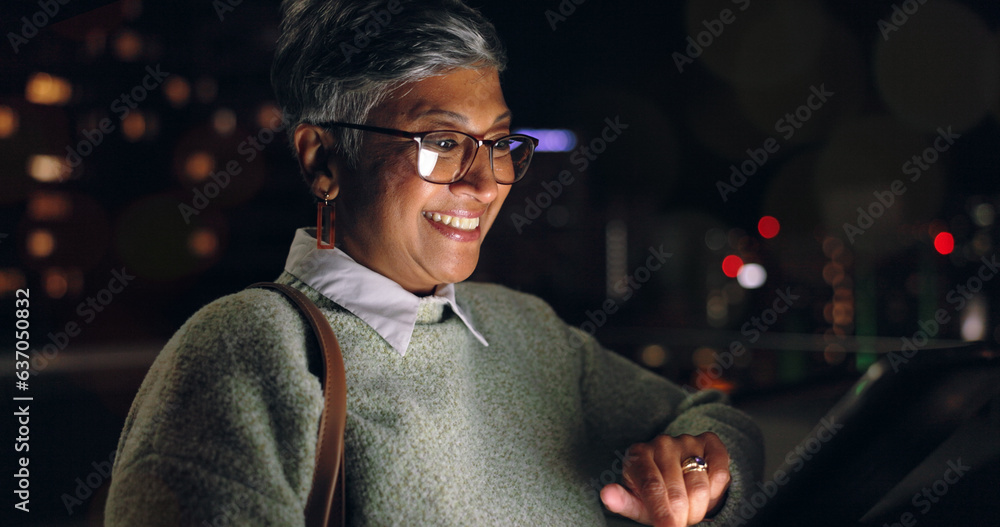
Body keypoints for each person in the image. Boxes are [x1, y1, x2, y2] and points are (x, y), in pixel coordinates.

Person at [105, 0, 764, 525]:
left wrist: (702, 469)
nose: (484, 183)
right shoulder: (245, 354)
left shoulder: (526, 330)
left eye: (498, 142)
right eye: (441, 142)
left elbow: (717, 419)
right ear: (323, 159)